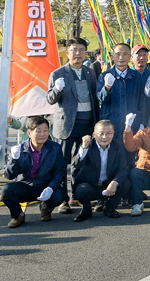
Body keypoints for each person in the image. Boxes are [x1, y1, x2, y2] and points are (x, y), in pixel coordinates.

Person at [46, 38, 99, 214]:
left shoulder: (90, 72)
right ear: (67, 52)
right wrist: (56, 90)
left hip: (88, 123)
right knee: (63, 163)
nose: (78, 53)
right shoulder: (57, 73)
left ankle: (78, 195)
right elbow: (50, 99)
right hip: (67, 124)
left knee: (83, 161)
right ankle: (63, 200)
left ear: (86, 53)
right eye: (74, 50)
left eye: (81, 50)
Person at [1, 116, 66, 228]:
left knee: (60, 194)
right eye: (38, 131)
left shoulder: (55, 148)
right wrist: (14, 160)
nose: (43, 134)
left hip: (45, 185)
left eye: (45, 130)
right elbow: (9, 175)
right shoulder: (20, 149)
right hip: (26, 185)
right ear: (29, 133)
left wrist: (50, 188)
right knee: (6, 191)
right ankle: (18, 215)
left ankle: (46, 208)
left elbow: (60, 171)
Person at [71, 120, 129, 222]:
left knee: (126, 183)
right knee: (81, 190)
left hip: (108, 185)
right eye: (101, 133)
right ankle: (86, 209)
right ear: (94, 134)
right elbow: (77, 164)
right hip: (90, 185)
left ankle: (109, 207)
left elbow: (123, 169)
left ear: (113, 134)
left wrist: (115, 182)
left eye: (108, 133)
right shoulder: (87, 146)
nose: (104, 137)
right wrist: (84, 148)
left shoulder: (118, 146)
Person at [97, 42, 145, 145]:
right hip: (110, 123)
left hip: (132, 123)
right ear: (112, 56)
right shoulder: (104, 76)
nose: (121, 57)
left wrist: (142, 122)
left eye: (125, 54)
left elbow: (141, 101)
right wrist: (107, 87)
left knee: (130, 154)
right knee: (111, 155)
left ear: (130, 57)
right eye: (118, 54)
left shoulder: (136, 76)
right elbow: (101, 98)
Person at [130, 44, 150, 129]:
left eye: (144, 55)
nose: (142, 58)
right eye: (139, 55)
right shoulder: (128, 74)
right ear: (132, 57)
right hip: (132, 115)